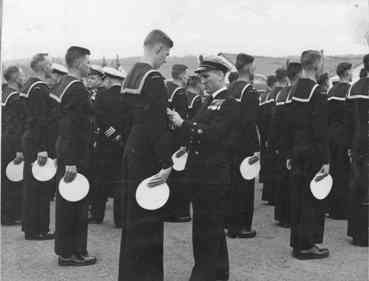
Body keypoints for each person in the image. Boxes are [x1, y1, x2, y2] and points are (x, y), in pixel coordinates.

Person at [168, 55, 240, 281]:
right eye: (200, 77)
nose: (203, 81)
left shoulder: (229, 102)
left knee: (208, 229)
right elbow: (197, 132)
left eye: (206, 76)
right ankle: (215, 273)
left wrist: (184, 124)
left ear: (221, 75)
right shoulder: (207, 101)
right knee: (206, 229)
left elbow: (215, 135)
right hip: (201, 174)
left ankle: (207, 274)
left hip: (213, 175)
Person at [118, 29, 174, 281]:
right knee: (150, 216)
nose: (166, 59)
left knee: (133, 218)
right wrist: (166, 162)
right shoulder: (153, 78)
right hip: (149, 153)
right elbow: (158, 126)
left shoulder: (130, 76)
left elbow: (124, 118)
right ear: (158, 49)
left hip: (132, 148)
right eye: (166, 54)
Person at [283, 50, 330, 260]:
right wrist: (326, 160)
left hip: (296, 150)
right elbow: (320, 129)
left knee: (298, 198)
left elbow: (289, 123)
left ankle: (298, 243)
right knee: (310, 200)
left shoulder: (294, 89)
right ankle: (307, 246)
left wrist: (289, 153)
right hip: (312, 151)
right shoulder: (317, 91)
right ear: (317, 65)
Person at [53, 46, 97, 266]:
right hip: (76, 156)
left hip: (65, 151)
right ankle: (75, 252)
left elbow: (57, 122)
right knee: (76, 204)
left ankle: (65, 250)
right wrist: (71, 160)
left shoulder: (62, 84)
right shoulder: (77, 88)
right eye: (88, 62)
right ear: (79, 63)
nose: (89, 66)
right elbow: (70, 125)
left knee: (66, 203)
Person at [20, 53, 55, 240]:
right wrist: (42, 147)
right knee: (40, 187)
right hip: (37, 141)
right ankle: (38, 229)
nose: (52, 67)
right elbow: (39, 120)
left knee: (32, 187)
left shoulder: (29, 85)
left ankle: (31, 227)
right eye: (49, 64)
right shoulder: (39, 89)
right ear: (42, 67)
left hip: (30, 139)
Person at [226, 53, 259, 239]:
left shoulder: (230, 88)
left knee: (231, 185)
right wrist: (256, 148)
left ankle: (231, 225)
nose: (254, 69)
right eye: (253, 66)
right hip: (244, 145)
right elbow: (250, 122)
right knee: (245, 187)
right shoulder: (249, 91)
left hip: (229, 143)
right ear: (247, 67)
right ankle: (243, 227)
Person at [90, 66, 127, 228]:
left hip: (105, 144)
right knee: (120, 181)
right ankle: (120, 219)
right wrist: (121, 135)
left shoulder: (102, 95)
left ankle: (97, 215)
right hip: (122, 144)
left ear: (110, 79)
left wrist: (111, 134)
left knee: (100, 180)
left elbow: (98, 117)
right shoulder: (128, 96)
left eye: (105, 79)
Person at [271, 62, 302, 228]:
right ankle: (289, 216)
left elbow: (275, 121)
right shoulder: (297, 93)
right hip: (292, 141)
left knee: (282, 178)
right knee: (291, 180)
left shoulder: (281, 93)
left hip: (281, 142)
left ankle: (281, 215)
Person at [345, 54, 369, 247]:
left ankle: (357, 232)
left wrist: (348, 145)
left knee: (358, 186)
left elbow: (347, 121)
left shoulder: (354, 88)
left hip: (356, 143)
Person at [164, 63, 191, 223]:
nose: (188, 77)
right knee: (179, 176)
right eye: (187, 74)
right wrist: (184, 143)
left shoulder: (166, 88)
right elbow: (181, 119)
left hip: (166, 136)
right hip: (176, 138)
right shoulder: (179, 92)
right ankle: (179, 212)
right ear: (181, 75)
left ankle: (167, 210)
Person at [326, 62, 352, 220]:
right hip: (344, 136)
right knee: (344, 173)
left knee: (333, 171)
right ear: (346, 72)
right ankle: (341, 209)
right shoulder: (349, 90)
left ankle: (331, 207)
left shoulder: (331, 91)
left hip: (331, 135)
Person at [1, 66, 25, 225]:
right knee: (13, 178)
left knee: (5, 178)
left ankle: (6, 213)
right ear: (15, 77)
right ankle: (10, 215)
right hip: (12, 142)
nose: (24, 77)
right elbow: (16, 126)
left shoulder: (4, 94)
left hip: (4, 140)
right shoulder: (15, 98)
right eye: (22, 74)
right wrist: (19, 149)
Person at [263, 69, 288, 206]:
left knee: (271, 166)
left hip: (268, 133)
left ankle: (270, 195)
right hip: (278, 135)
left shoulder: (270, 94)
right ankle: (274, 197)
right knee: (278, 169)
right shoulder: (282, 93)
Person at [258, 75, 276, 188]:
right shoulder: (272, 96)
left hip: (263, 131)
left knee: (265, 158)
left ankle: (264, 180)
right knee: (271, 160)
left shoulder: (263, 96)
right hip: (270, 132)